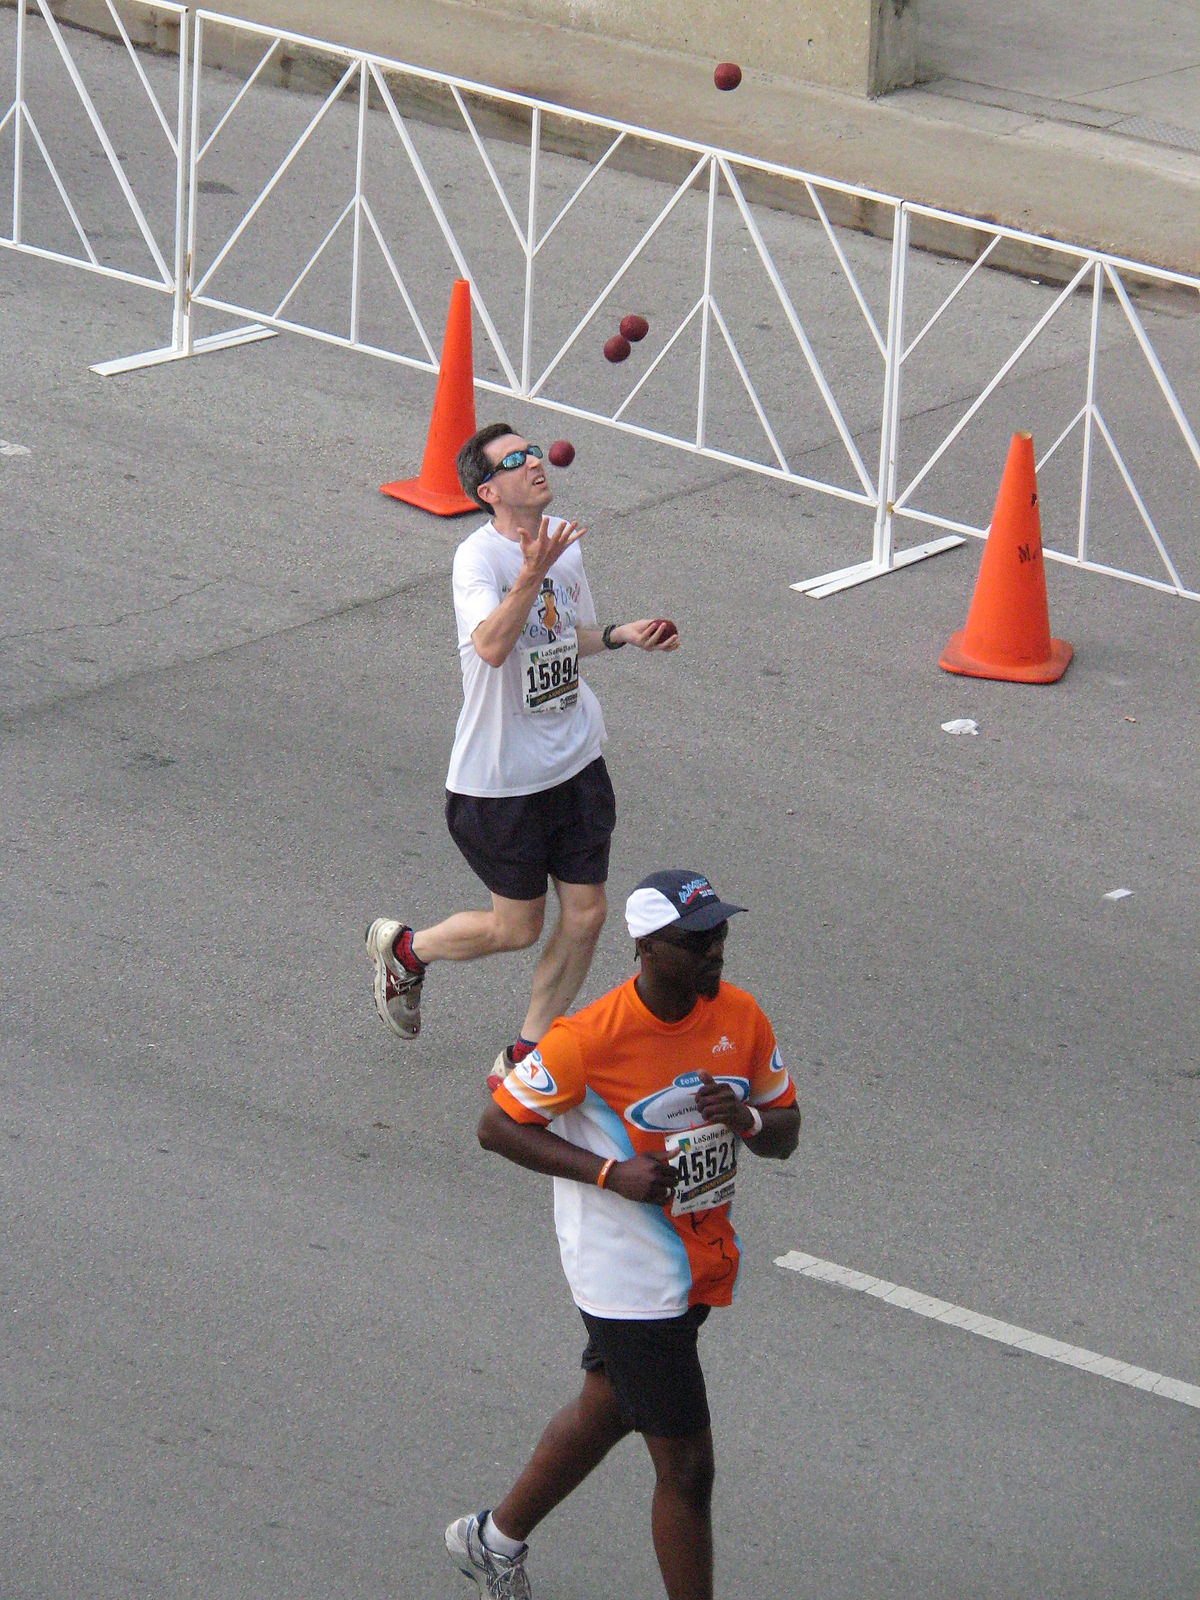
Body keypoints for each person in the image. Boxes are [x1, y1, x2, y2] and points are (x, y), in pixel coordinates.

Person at [446, 869, 801, 1600]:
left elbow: (787, 1132)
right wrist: (612, 1174)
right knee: (688, 1470)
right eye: (698, 940)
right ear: (646, 947)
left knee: (606, 1407)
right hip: (625, 1278)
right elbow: (497, 1127)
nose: (716, 951)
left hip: (694, 1258)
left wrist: (749, 1122)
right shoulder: (588, 1039)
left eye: (721, 934)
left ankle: (493, 1538)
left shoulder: (740, 1015)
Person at [365, 422, 679, 1086]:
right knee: (517, 928)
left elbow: (566, 637)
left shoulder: (562, 544)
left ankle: (524, 1053)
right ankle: (407, 951)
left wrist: (623, 634)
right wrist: (529, 572)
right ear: (489, 490)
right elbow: (491, 645)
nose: (536, 461)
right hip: (500, 779)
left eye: (534, 450)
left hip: (575, 758)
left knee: (588, 912)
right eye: (515, 459)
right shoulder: (477, 560)